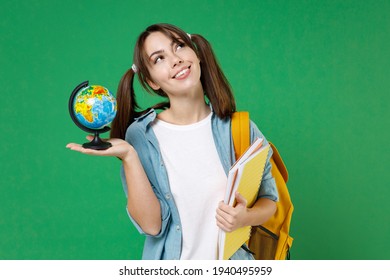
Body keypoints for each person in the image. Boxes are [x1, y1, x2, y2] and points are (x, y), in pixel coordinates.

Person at [66, 23, 278, 260]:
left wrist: (244, 218)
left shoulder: (240, 128)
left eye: (179, 46)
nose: (175, 60)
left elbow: (270, 201)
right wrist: (129, 156)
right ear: (153, 81)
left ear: (196, 54)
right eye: (159, 59)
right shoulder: (141, 136)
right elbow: (151, 226)